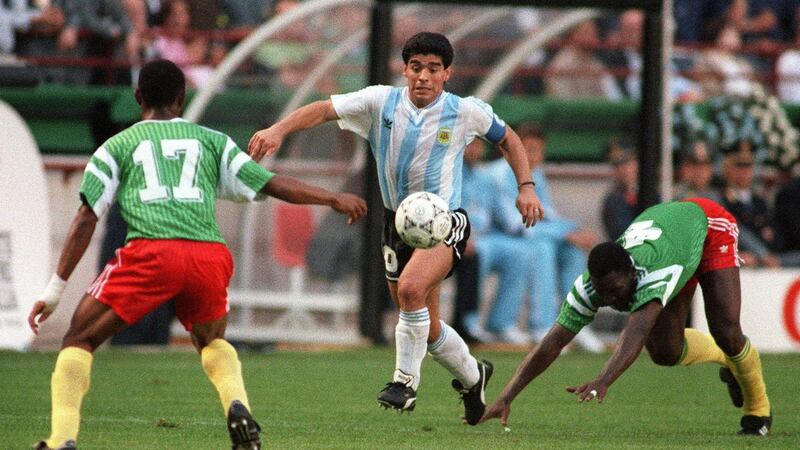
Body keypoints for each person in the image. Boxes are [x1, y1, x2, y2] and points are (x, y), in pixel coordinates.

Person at [27, 59, 367, 450]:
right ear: (181, 98)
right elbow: (271, 183)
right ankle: (237, 406)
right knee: (211, 341)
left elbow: (87, 217)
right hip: (208, 255)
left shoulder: (115, 147)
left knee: (79, 338)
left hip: (151, 251)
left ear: (138, 98)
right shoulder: (212, 141)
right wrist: (332, 197)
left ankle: (62, 440)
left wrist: (54, 290)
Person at [248, 32, 543, 424]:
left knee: (410, 289)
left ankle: (404, 383)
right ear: (405, 69)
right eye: (416, 67)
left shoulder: (465, 111)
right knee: (430, 327)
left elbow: (508, 140)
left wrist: (526, 187)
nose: (424, 76)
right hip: (397, 224)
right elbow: (322, 109)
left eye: (433, 69)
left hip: (444, 221)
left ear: (447, 74)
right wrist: (278, 130)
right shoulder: (379, 101)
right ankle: (475, 377)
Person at [480, 197, 772, 436]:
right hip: (674, 241)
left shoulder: (654, 271)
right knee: (665, 352)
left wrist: (603, 379)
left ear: (633, 273)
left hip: (708, 227)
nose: (610, 300)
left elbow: (638, 328)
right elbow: (553, 342)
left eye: (615, 291)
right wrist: (507, 396)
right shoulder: (589, 287)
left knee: (727, 331)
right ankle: (726, 360)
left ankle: (758, 411)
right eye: (602, 293)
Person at [601, 140, 639, 240]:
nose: (624, 170)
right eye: (617, 165)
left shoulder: (651, 191)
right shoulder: (615, 200)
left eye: (628, 163)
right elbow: (625, 236)